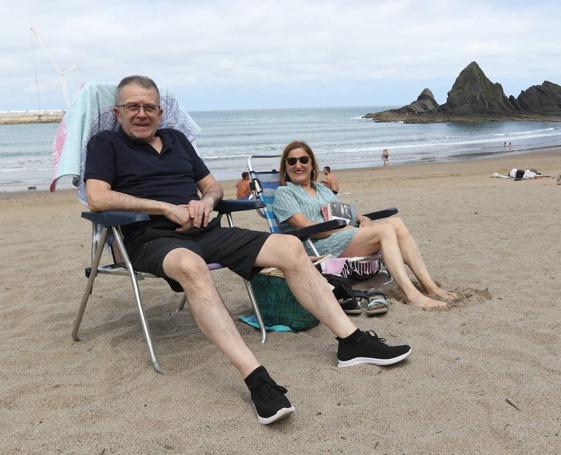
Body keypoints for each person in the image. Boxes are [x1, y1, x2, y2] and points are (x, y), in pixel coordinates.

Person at [83, 76, 412, 426]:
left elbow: (211, 185)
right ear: (117, 111)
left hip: (204, 229)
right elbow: (97, 197)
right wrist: (165, 208)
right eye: (133, 106)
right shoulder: (105, 144)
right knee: (192, 266)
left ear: (161, 112)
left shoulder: (177, 140)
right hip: (151, 238)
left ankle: (352, 342)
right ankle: (257, 379)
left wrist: (206, 202)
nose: (141, 113)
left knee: (289, 246)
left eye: (149, 106)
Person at [273, 141, 458, 311]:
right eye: (292, 161)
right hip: (315, 245)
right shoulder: (285, 193)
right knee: (385, 230)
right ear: (285, 167)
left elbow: (344, 213)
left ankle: (430, 287)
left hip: (340, 236)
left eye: (303, 159)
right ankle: (412, 295)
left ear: (312, 164)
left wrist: (362, 219)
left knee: (396, 222)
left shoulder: (322, 189)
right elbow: (304, 227)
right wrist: (344, 228)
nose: (298, 165)